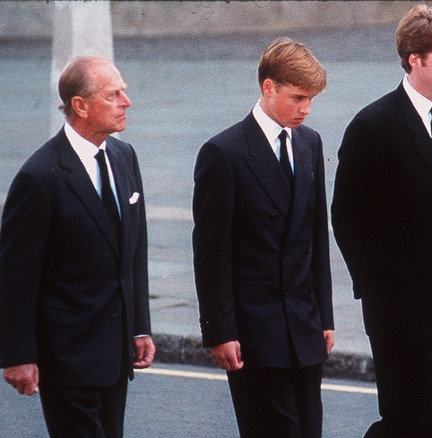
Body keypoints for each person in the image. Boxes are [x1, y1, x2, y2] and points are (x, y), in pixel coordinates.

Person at [331, 4, 432, 437]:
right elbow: (346, 217)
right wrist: (379, 287)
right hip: (401, 311)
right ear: (414, 60)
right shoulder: (373, 125)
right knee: (412, 424)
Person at [0, 55, 155, 438]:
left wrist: (139, 326)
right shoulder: (39, 177)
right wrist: (18, 356)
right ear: (80, 106)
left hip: (116, 353)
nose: (126, 102)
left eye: (125, 92)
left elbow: (134, 251)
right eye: (113, 94)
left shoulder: (124, 156)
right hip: (66, 355)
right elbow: (15, 276)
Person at [192, 37, 333, 438]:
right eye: (298, 97)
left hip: (304, 328)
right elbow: (210, 253)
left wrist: (324, 313)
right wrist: (220, 330)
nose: (306, 109)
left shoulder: (310, 143)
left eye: (312, 99)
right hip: (254, 333)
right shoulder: (224, 152)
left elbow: (315, 237)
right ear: (268, 87)